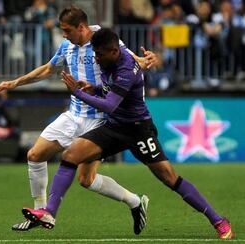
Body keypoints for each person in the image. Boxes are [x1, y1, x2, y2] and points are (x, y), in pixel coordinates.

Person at [22, 28, 233, 240]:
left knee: (169, 178)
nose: (96, 57)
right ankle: (49, 213)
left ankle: (218, 220)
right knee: (70, 156)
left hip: (138, 129)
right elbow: (108, 91)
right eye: (95, 53)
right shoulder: (108, 59)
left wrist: (76, 93)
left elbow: (110, 105)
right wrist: (92, 88)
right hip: (115, 127)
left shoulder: (126, 68)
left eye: (99, 54)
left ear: (114, 51)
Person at [0, 6, 158, 233]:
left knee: (86, 180)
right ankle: (41, 213)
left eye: (67, 30)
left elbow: (132, 60)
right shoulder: (67, 46)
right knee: (35, 155)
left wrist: (146, 59)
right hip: (74, 115)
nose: (64, 34)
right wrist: (14, 82)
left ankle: (135, 202)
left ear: (81, 27)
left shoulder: (103, 40)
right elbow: (48, 69)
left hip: (100, 119)